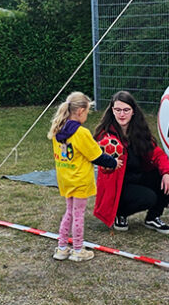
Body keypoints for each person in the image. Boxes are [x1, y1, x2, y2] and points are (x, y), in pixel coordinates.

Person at [93, 90, 169, 234]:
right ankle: (120, 213)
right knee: (148, 198)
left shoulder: (140, 131)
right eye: (118, 110)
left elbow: (158, 154)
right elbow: (98, 161)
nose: (122, 114)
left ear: (133, 111)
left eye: (126, 110)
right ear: (112, 111)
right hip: (118, 185)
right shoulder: (105, 136)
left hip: (138, 177)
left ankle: (153, 217)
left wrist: (166, 174)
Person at [48, 91, 120, 262]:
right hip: (79, 181)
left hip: (66, 179)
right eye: (87, 112)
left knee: (69, 213)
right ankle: (78, 250)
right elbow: (96, 156)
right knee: (78, 214)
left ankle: (62, 248)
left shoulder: (58, 129)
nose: (87, 115)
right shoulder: (81, 133)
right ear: (80, 111)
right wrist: (113, 163)